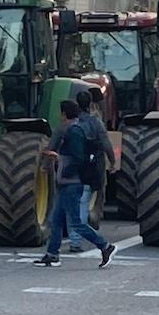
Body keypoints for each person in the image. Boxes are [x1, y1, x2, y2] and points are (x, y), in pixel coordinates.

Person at [34, 100, 117, 268]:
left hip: (73, 183)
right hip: (66, 182)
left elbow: (78, 158)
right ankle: (52, 254)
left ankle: (105, 246)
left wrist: (58, 159)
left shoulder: (74, 132)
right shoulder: (75, 128)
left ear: (64, 114)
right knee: (55, 220)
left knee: (76, 223)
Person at [67, 91, 116, 252]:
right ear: (91, 104)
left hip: (70, 168)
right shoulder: (95, 123)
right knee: (82, 203)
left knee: (72, 203)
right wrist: (113, 162)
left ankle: (72, 238)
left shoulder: (70, 122)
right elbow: (106, 143)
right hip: (88, 169)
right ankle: (75, 241)